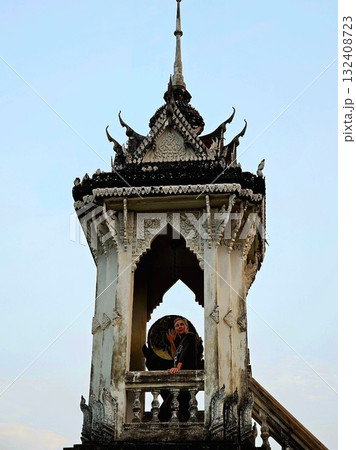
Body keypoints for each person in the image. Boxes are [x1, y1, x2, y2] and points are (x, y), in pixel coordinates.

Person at [158, 317, 203, 422]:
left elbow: (185, 354)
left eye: (182, 324)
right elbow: (176, 356)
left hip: (187, 379)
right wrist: (172, 342)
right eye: (177, 325)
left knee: (166, 408)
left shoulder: (190, 336)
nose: (179, 327)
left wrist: (177, 368)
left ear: (186, 327)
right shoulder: (182, 342)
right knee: (182, 409)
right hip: (182, 381)